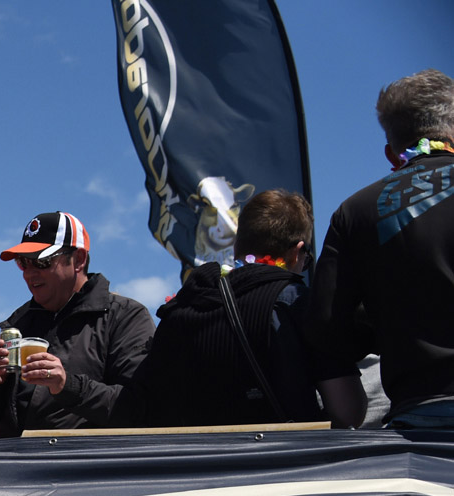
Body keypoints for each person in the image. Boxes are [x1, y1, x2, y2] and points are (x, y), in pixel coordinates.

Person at [99, 190, 365, 428]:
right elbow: (347, 412)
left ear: (238, 246)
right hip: (285, 466)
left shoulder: (182, 306)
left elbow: (148, 404)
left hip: (194, 471)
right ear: (297, 252)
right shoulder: (298, 303)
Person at [307, 69, 454, 428]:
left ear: (391, 152)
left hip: (421, 421)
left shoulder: (355, 211)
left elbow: (326, 327)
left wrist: (349, 414)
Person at [0, 211, 154, 435]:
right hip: (20, 465)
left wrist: (66, 385)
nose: (29, 273)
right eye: (23, 263)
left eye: (42, 261)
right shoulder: (19, 323)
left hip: (91, 465)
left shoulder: (126, 317)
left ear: (78, 259)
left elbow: (140, 408)